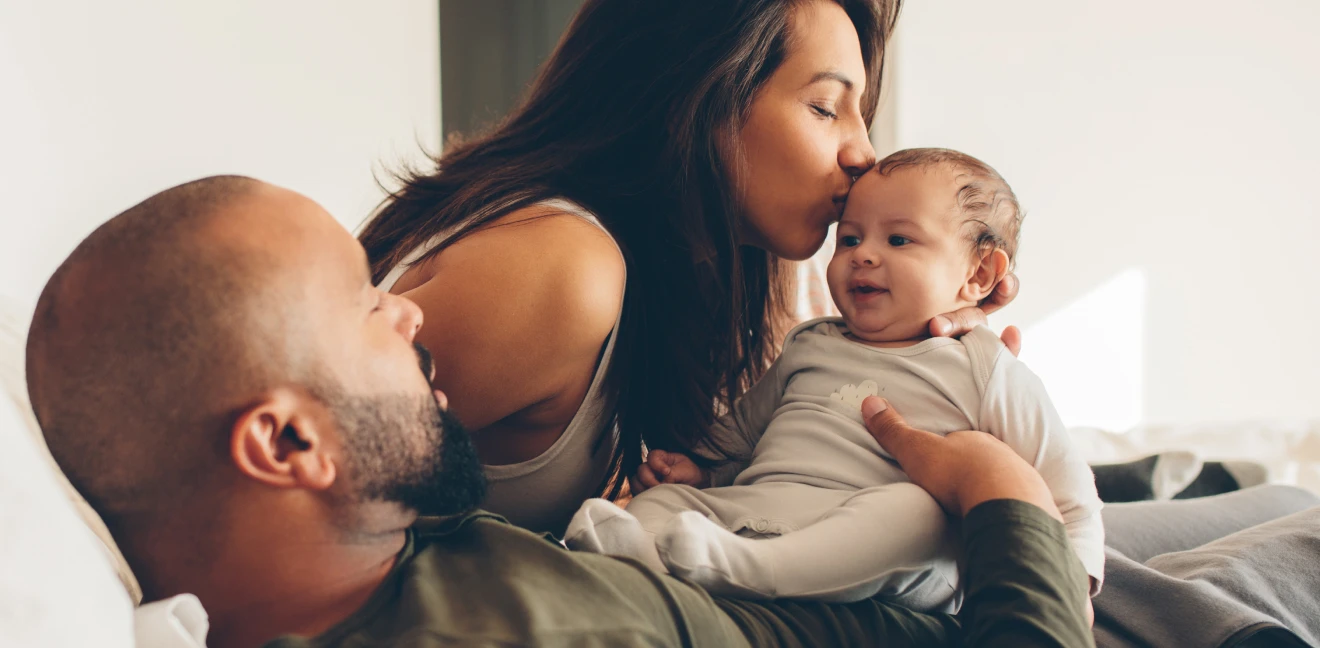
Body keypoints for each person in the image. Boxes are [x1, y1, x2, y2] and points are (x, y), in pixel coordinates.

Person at [27, 177, 1097, 647]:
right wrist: (996, 490)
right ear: (288, 442)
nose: (410, 312)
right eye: (366, 305)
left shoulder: (386, 548)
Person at [356, 0, 1021, 537]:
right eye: (824, 107)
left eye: (861, 116)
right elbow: (296, 490)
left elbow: (769, 483)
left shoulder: (714, 271)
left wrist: (918, 353)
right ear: (695, 95)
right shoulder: (559, 269)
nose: (864, 154)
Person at [564, 149, 1102, 613]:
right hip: (764, 508)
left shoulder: (983, 367)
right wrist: (696, 469)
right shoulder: (810, 341)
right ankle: (637, 551)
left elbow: (1067, 490)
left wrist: (1072, 583)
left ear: (978, 275)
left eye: (898, 239)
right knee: (669, 504)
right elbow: (743, 434)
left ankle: (748, 569)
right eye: (848, 239)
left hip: (875, 544)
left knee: (916, 512)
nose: (862, 254)